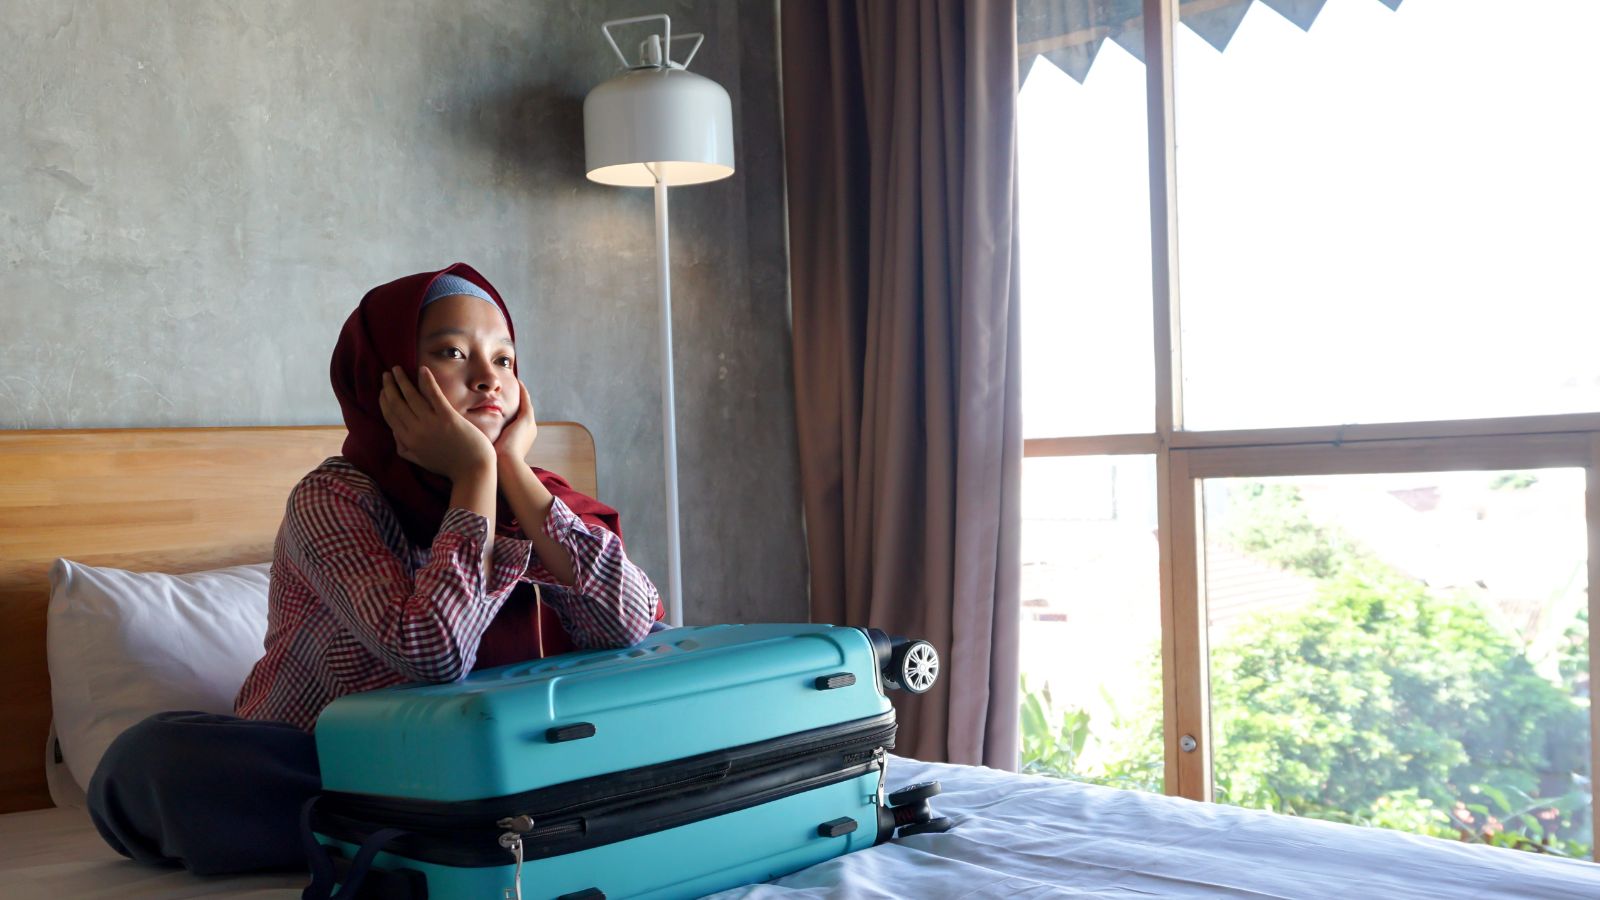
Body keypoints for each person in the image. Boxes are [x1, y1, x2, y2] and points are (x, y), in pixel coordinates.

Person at [88, 263, 662, 875]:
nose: (487, 379)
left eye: (504, 361)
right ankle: (448, 825)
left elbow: (630, 626)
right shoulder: (334, 499)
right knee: (153, 760)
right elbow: (431, 655)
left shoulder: (535, 496)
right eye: (452, 352)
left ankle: (424, 828)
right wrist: (474, 478)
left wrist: (511, 472)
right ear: (385, 379)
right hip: (328, 760)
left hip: (489, 750)